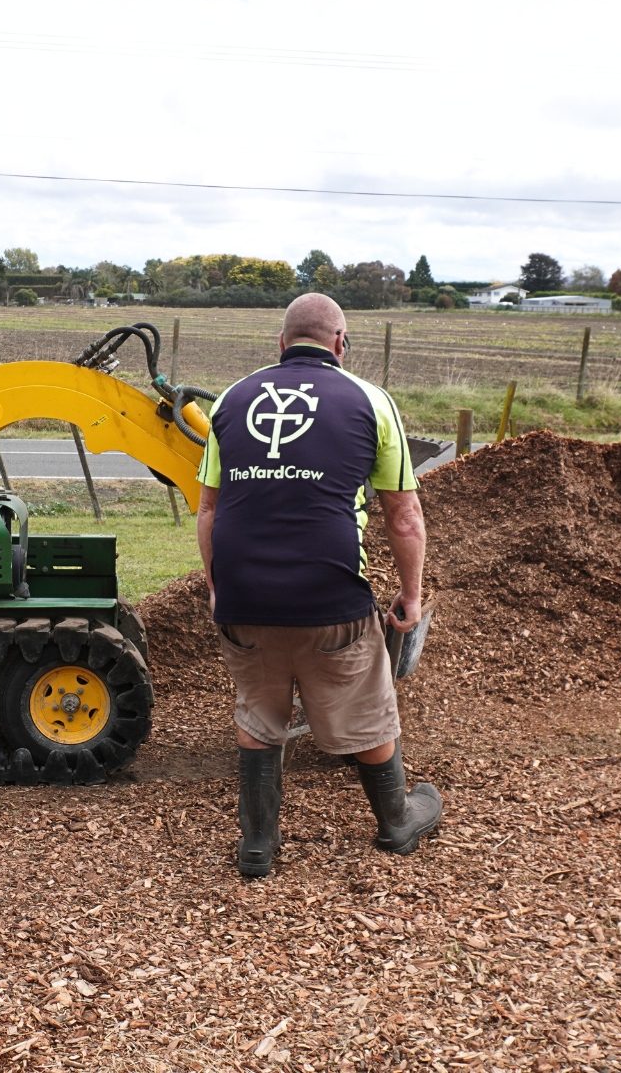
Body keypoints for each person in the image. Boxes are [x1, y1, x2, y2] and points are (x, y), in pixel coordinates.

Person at [195, 292, 439, 879]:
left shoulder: (230, 399)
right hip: (332, 599)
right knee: (368, 711)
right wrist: (410, 594)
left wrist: (215, 587)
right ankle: (397, 820)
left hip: (244, 598)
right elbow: (403, 516)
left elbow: (210, 511)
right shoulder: (370, 401)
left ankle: (257, 846)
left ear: (280, 345)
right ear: (340, 344)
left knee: (258, 712)